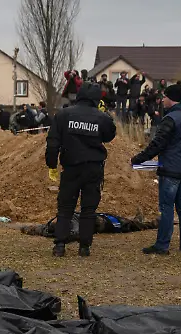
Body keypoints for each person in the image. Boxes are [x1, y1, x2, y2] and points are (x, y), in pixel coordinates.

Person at [45, 81, 117, 257]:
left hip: (71, 168)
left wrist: (52, 164)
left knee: (65, 208)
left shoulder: (63, 115)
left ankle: (60, 245)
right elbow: (109, 136)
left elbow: (53, 142)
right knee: (88, 209)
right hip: (93, 169)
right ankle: (84, 247)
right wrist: (105, 115)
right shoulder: (101, 117)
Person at [132, 84, 181, 255]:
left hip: (170, 169)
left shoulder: (170, 118)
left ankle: (162, 245)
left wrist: (138, 159)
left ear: (172, 98)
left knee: (166, 207)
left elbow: (157, 144)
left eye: (165, 96)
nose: (162, 100)